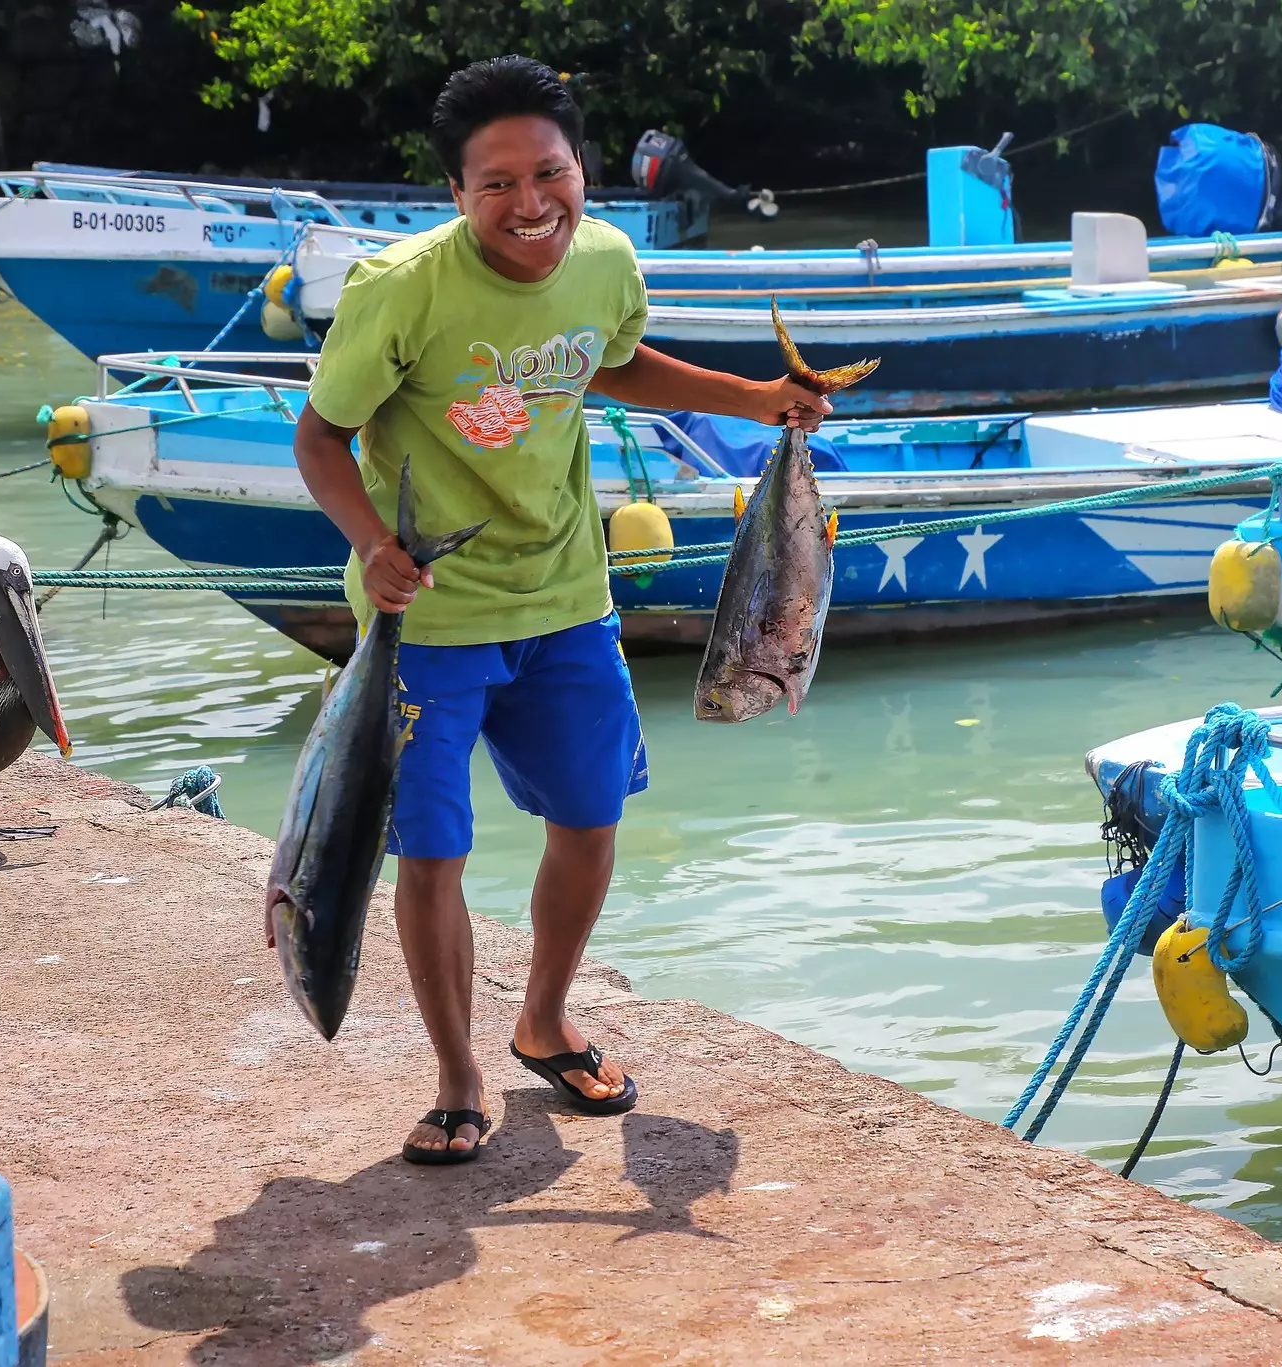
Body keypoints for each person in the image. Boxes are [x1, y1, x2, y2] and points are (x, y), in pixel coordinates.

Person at [291, 56, 830, 1164]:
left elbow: (611, 364)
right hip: (427, 619)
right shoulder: (401, 288)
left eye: (551, 175)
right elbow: (320, 437)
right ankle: (455, 1076)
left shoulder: (606, 259)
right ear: (455, 192)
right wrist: (374, 547)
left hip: (566, 597)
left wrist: (754, 398)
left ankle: (543, 1016)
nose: (531, 205)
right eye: (497, 185)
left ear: (581, 168)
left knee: (589, 823)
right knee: (430, 851)